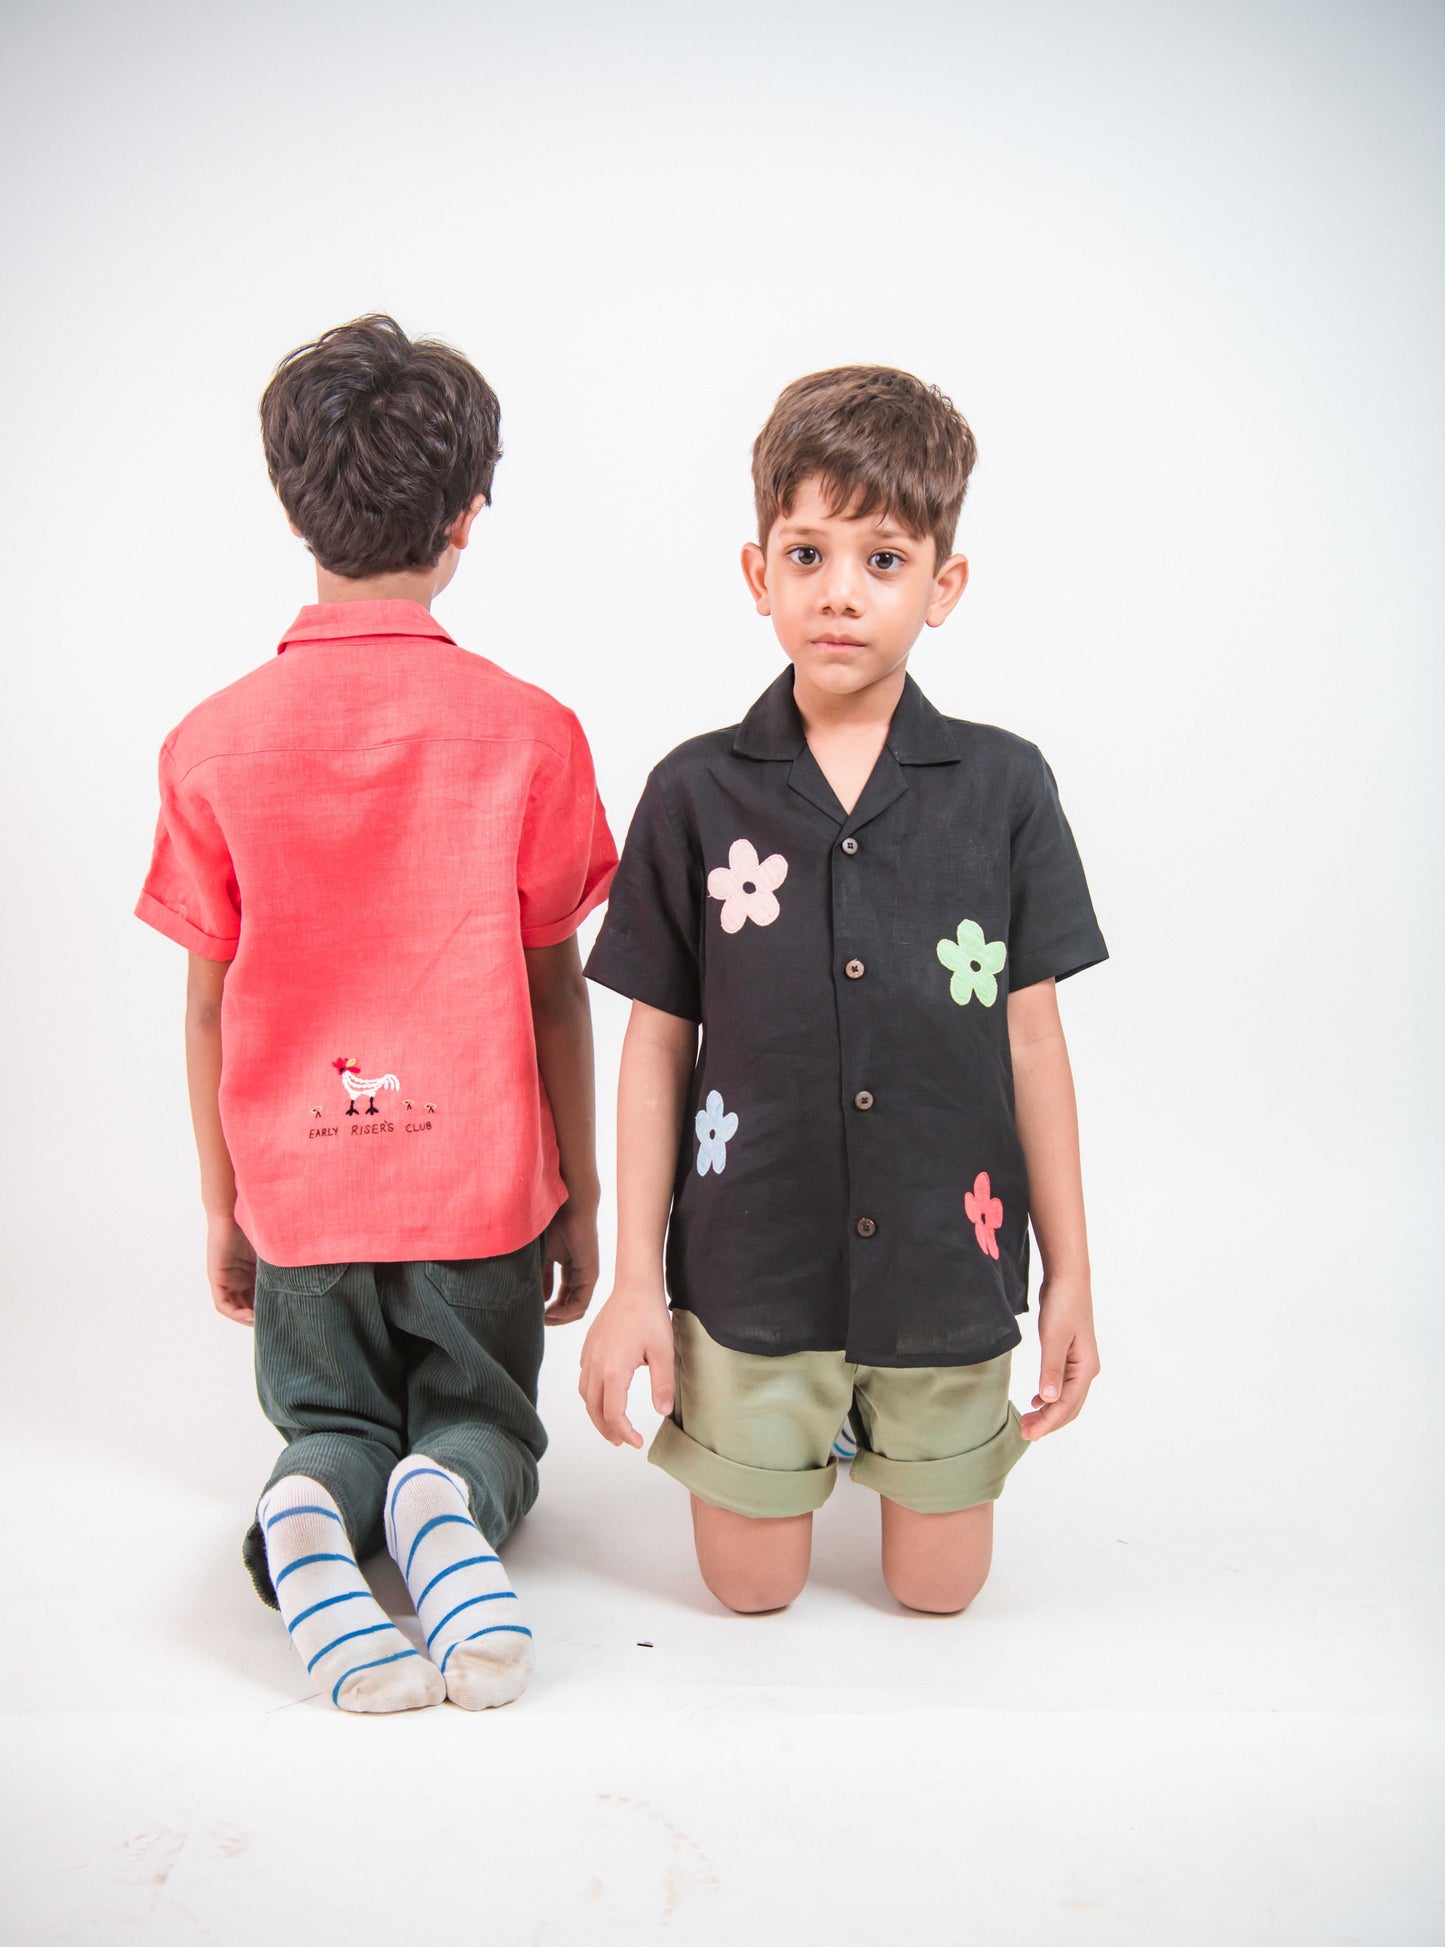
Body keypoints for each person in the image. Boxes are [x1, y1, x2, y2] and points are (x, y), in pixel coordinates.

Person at [136, 315, 616, 1710]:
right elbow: (554, 989)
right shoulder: (532, 733)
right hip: (477, 1196)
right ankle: (447, 1502)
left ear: (296, 508)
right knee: (482, 1420)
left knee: (326, 1420)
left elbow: (209, 1005)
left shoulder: (211, 743)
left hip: (302, 1200)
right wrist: (572, 1193)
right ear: (469, 512)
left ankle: (307, 1512)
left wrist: (228, 1201)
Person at [580, 365, 1106, 1617]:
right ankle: (777, 1431)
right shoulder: (695, 793)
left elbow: (1033, 1043)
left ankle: (900, 1438)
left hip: (947, 1264)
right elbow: (656, 1047)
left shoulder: (1004, 787)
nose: (838, 593)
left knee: (938, 1592)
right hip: (750, 1271)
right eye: (807, 552)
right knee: (748, 1591)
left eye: (882, 559)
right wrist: (634, 1282)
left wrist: (1070, 1269)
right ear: (758, 571)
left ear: (943, 586)